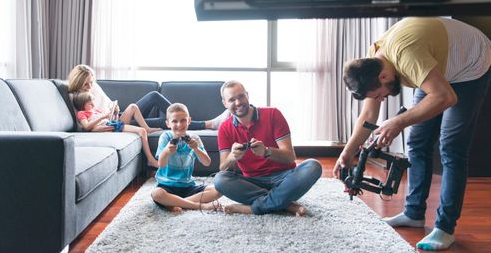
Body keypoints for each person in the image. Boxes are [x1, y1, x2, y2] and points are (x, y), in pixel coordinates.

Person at [333, 17, 491, 251]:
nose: (382, 100)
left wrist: (397, 122)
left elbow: (446, 97)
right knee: (417, 142)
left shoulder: (407, 57)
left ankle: (445, 228)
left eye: (380, 95)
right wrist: (347, 154)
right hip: (436, 65)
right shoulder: (375, 60)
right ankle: (414, 213)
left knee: (451, 148)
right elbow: (369, 115)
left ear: (384, 77)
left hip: (471, 65)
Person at [213, 80, 322, 216]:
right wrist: (232, 157)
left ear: (247, 95)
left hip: (284, 177)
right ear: (225, 103)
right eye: (231, 100)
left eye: (241, 96)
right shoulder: (224, 128)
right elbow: (223, 166)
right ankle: (284, 203)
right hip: (253, 183)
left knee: (313, 166)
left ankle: (254, 208)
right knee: (220, 179)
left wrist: (266, 152)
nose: (238, 102)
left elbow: (290, 157)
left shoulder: (273, 114)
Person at [67, 64, 230, 130]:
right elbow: (85, 124)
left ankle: (204, 122)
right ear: (78, 82)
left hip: (118, 115)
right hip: (113, 123)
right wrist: (107, 117)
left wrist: (114, 108)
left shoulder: (92, 88)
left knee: (154, 95)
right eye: (87, 84)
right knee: (163, 122)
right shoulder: (74, 96)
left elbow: (106, 104)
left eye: (91, 82)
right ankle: (210, 124)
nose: (90, 86)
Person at [150, 103, 222, 212]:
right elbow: (161, 164)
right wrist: (166, 151)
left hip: (188, 186)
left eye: (183, 120)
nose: (179, 124)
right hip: (167, 186)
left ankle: (176, 202)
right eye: (174, 121)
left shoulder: (194, 138)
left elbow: (207, 162)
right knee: (157, 194)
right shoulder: (165, 137)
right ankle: (199, 206)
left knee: (219, 190)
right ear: (168, 123)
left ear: (188, 120)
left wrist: (196, 149)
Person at [73, 91, 159, 168]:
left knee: (133, 107)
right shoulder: (82, 113)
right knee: (141, 131)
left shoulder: (96, 111)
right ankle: (150, 160)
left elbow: (110, 119)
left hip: (112, 123)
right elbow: (86, 126)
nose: (93, 105)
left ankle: (147, 128)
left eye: (93, 103)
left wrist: (115, 113)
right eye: (90, 104)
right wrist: (103, 116)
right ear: (82, 105)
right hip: (110, 127)